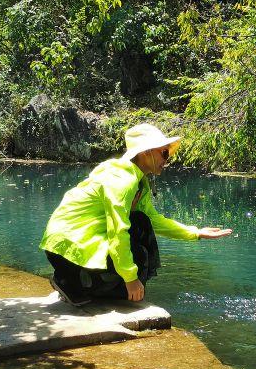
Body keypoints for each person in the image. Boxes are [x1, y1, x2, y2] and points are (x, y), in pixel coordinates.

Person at [40, 123, 232, 305]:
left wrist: (195, 232)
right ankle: (69, 280)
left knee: (141, 222)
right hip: (64, 248)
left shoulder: (138, 182)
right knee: (128, 284)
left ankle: (81, 283)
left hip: (78, 243)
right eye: (164, 153)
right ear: (146, 152)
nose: (167, 160)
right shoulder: (122, 180)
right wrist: (130, 277)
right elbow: (118, 230)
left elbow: (153, 220)